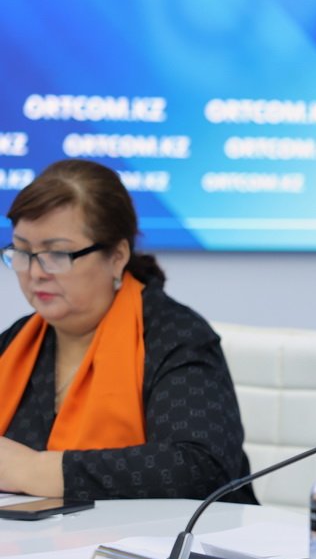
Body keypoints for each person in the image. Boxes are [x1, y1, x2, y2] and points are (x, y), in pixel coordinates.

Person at [0, 159, 253, 502]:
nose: (35, 273)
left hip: (167, 536)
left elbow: (201, 467)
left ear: (117, 256)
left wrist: (36, 470)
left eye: (57, 254)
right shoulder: (15, 342)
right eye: (22, 251)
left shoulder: (175, 337)